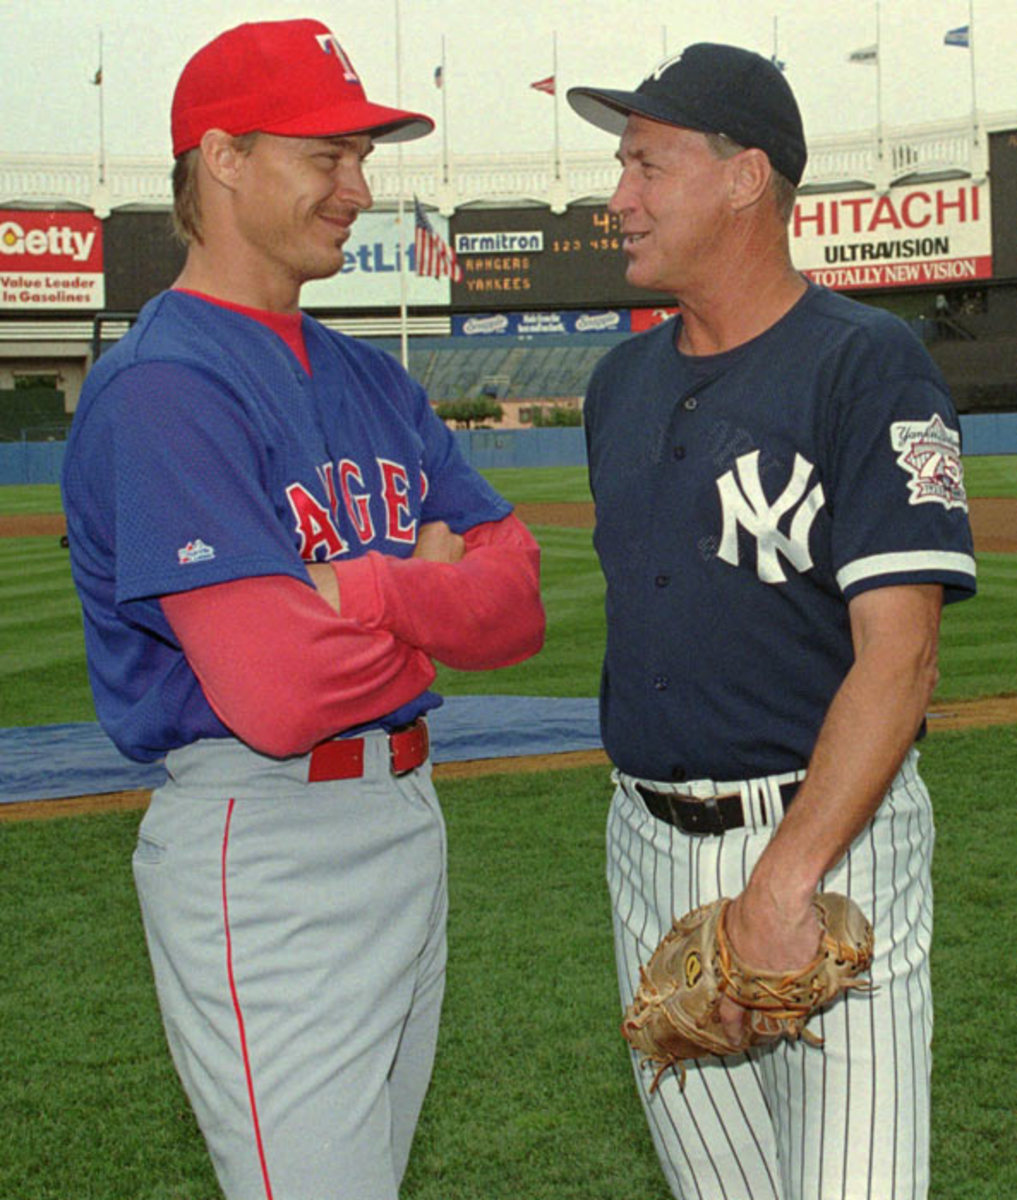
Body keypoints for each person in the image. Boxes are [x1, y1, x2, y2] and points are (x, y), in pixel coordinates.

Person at [61, 18, 544, 1200]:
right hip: (269, 841)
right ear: (221, 158)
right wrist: (433, 599)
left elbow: (521, 600)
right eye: (326, 155)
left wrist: (368, 592)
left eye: (362, 157)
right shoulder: (169, 386)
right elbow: (277, 696)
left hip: (406, 819)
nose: (360, 188)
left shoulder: (372, 375)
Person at [567, 44, 975, 1200]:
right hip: (647, 847)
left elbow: (901, 660)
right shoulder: (616, 386)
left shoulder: (867, 366)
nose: (619, 198)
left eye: (647, 164)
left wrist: (782, 885)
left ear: (746, 179)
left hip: (824, 840)